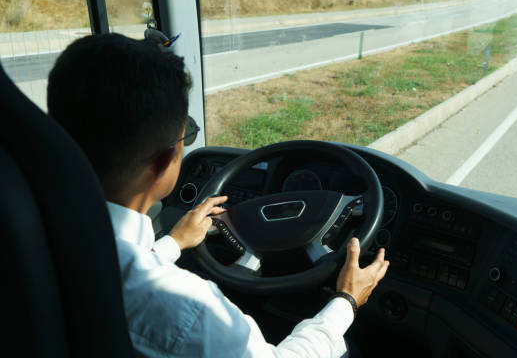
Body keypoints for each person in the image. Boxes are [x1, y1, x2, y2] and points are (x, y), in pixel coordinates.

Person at [47, 33, 389, 357]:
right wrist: (346, 299)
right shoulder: (186, 310)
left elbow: (124, 268)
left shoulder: (30, 228)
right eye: (187, 136)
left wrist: (174, 243)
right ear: (166, 161)